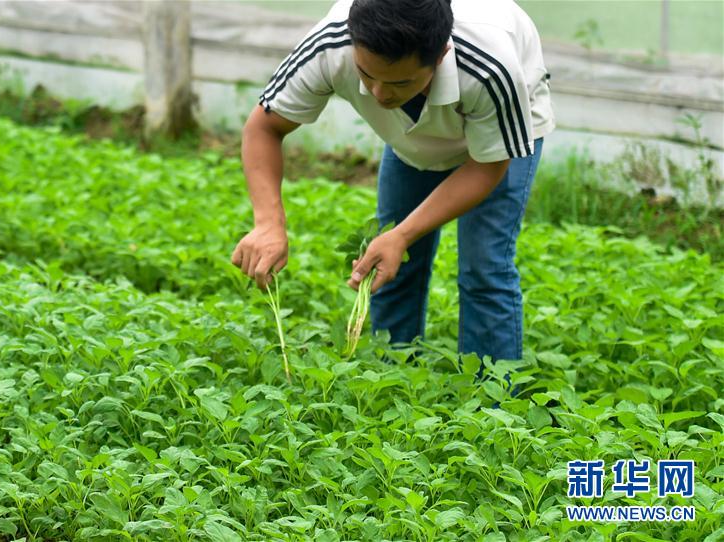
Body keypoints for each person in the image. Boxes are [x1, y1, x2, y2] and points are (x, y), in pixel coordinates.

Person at [230, 0, 555, 365]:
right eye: (366, 74)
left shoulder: (489, 65)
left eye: (399, 81)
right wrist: (268, 224)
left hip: (501, 134)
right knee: (388, 262)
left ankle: (492, 398)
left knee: (484, 265)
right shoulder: (332, 43)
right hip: (410, 143)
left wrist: (402, 234)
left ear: (440, 56)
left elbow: (488, 165)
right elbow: (264, 127)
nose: (379, 94)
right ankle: (392, 375)